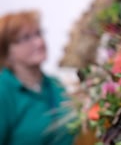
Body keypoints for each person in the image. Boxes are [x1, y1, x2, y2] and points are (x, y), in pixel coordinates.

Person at [0, 10, 74, 145]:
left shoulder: (55, 85)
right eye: (26, 38)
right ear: (7, 51)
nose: (39, 42)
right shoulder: (4, 91)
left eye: (38, 33)